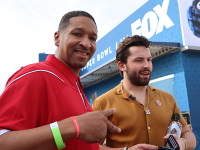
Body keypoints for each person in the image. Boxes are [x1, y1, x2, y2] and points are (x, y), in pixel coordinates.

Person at [0, 11, 123, 150]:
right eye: (77, 34)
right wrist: (74, 126)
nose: (86, 43)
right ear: (57, 38)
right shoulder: (36, 75)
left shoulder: (76, 85)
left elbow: (76, 144)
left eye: (92, 38)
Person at [92, 35, 196, 150]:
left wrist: (183, 143)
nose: (147, 65)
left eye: (149, 60)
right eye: (139, 60)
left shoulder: (167, 98)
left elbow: (188, 133)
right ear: (122, 66)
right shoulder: (102, 103)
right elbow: (93, 147)